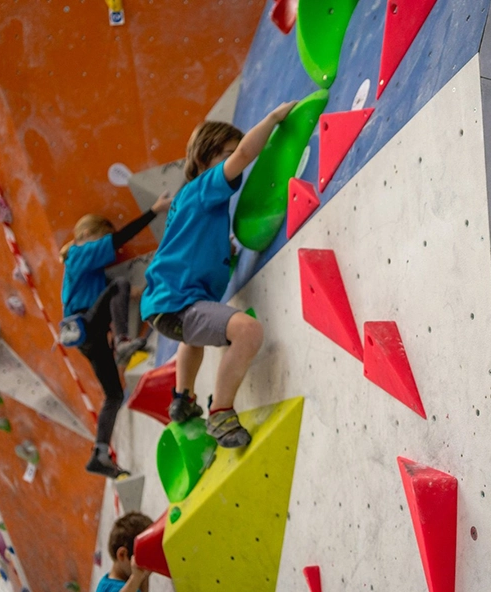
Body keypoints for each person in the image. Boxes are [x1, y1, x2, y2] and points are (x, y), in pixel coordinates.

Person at [141, 101, 296, 448]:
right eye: (223, 154)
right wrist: (272, 119)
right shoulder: (202, 187)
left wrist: (222, 251)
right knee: (248, 331)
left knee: (190, 338)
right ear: (204, 160)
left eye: (229, 154)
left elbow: (185, 242)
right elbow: (243, 154)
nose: (233, 163)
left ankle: (183, 398)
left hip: (166, 305)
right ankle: (221, 414)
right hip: (177, 303)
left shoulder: (189, 201)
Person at [60, 192, 172, 478]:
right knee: (120, 282)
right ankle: (123, 342)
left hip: (87, 337)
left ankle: (99, 453)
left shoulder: (90, 274)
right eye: (100, 240)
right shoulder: (77, 254)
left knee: (113, 395)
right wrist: (154, 210)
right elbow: (118, 241)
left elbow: (124, 294)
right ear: (86, 235)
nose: (108, 251)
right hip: (87, 322)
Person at [96, 511, 153, 592]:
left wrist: (143, 577)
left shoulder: (128, 580)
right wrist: (136, 578)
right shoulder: (111, 588)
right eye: (144, 559)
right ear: (122, 555)